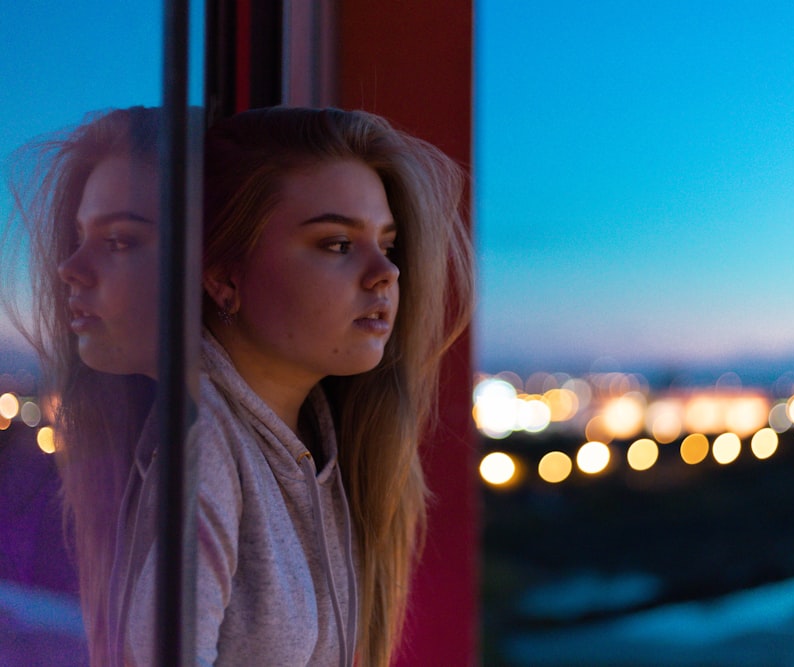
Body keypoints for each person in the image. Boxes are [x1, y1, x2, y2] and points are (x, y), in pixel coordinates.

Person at [196, 107, 473, 666]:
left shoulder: (324, 444)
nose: (386, 273)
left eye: (387, 246)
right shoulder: (197, 449)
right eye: (337, 244)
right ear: (226, 277)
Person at [2, 107, 162, 666]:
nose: (70, 266)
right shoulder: (129, 466)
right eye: (77, 237)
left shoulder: (204, 471)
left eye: (118, 240)